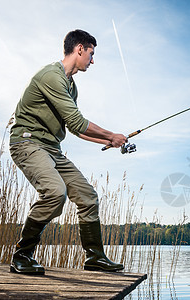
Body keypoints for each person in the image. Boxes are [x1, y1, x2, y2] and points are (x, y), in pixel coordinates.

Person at [9, 29, 127, 274]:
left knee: (87, 196)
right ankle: (22, 255)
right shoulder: (52, 76)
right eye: (91, 54)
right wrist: (111, 134)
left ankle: (95, 257)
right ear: (80, 49)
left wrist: (108, 142)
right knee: (55, 192)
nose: (92, 61)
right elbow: (77, 121)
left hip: (52, 148)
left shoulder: (71, 87)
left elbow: (74, 129)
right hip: (27, 143)